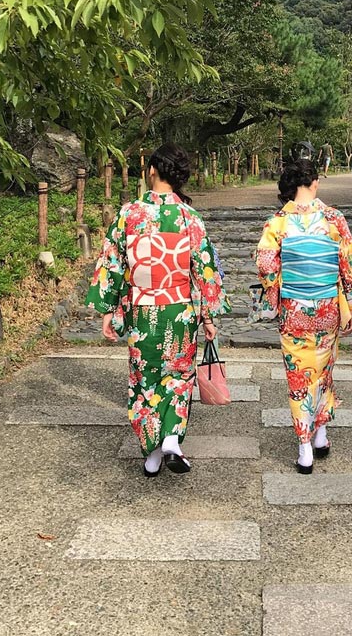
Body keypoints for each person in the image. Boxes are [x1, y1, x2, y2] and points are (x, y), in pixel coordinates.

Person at [87, 144, 230, 477]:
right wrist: (207, 317)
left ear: (152, 170)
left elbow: (112, 262)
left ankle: (151, 453)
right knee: (178, 378)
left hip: (143, 312)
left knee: (145, 381)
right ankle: (170, 440)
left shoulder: (130, 214)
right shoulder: (189, 218)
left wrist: (108, 310)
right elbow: (204, 270)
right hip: (179, 311)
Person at [256, 160, 352, 474]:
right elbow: (349, 264)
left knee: (298, 375)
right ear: (314, 182)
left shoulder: (277, 222)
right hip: (327, 306)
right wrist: (351, 306)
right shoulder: (333, 218)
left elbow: (265, 265)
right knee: (324, 370)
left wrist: (278, 293)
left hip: (294, 309)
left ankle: (305, 446)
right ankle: (320, 433)